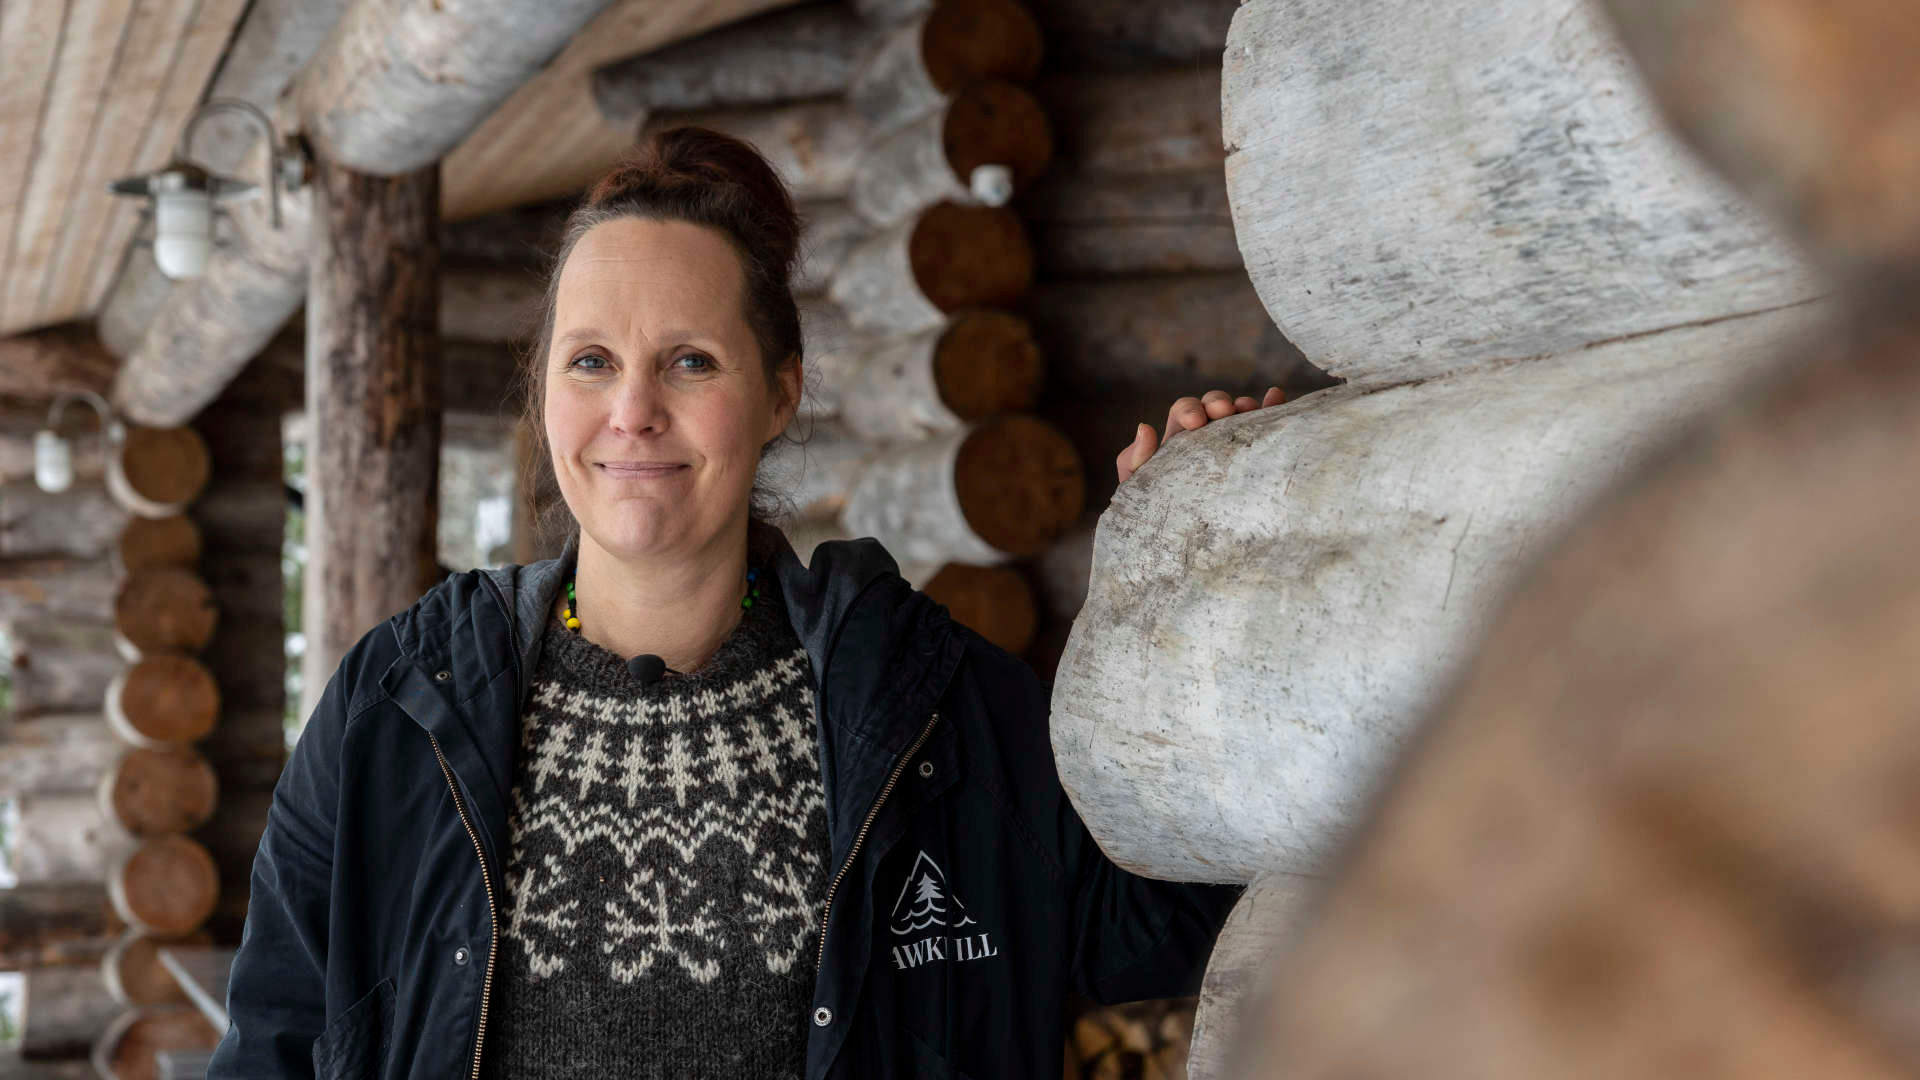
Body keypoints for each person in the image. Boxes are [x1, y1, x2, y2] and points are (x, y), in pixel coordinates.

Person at [209, 127, 1286, 1080]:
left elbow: (1163, 921)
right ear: (544, 390)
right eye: (591, 361)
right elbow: (272, 1048)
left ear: (779, 394)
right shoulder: (398, 706)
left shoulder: (931, 709)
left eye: (690, 361)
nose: (633, 410)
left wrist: (1192, 604)